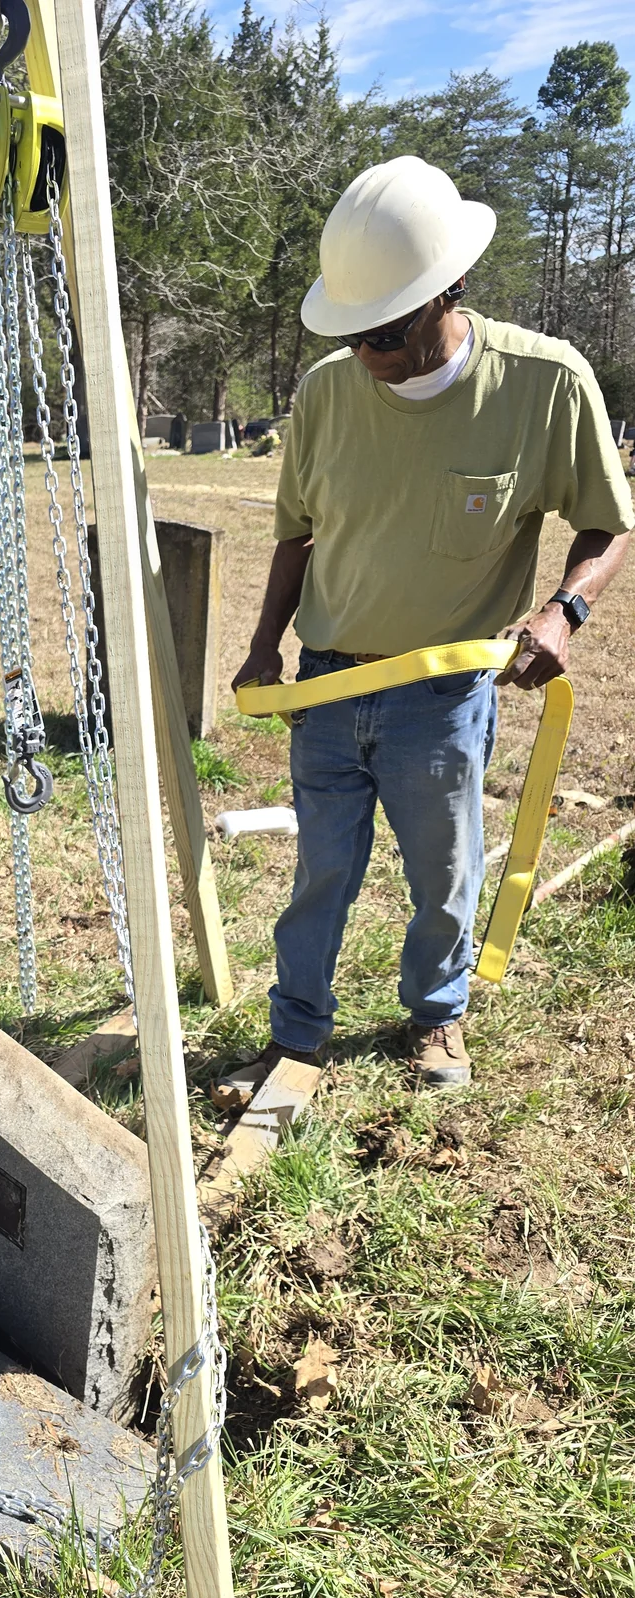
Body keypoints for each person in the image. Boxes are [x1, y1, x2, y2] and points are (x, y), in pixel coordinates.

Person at [219, 156, 633, 1103]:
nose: (369, 353)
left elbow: (609, 526)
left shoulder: (542, 383)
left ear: (449, 288)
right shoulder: (326, 392)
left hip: (443, 699)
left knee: (445, 875)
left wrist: (563, 610)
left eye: (388, 333)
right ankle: (298, 1034)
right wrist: (261, 645)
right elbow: (297, 531)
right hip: (326, 685)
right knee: (320, 873)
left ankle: (436, 1017)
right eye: (355, 334)